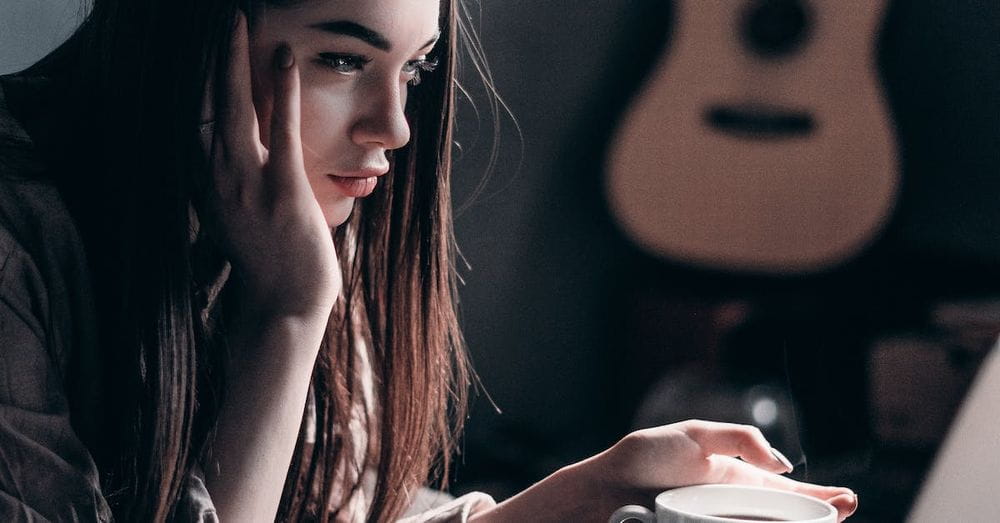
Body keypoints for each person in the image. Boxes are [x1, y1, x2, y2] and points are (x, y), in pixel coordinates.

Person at [0, 0, 860, 521]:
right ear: (185, 35)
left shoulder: (282, 226)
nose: (395, 128)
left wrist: (586, 492)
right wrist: (292, 318)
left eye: (415, 67)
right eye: (342, 58)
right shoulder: (19, 249)